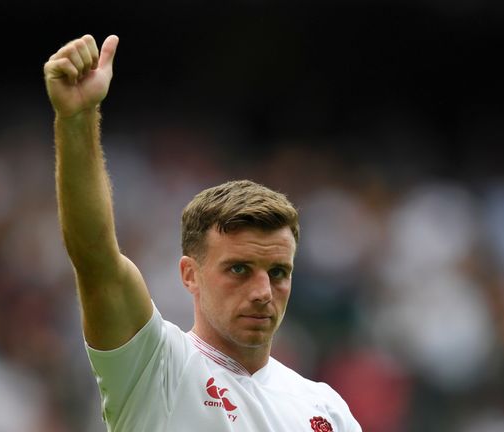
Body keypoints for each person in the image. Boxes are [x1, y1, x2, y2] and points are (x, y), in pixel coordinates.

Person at [44, 33, 362, 432]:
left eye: (278, 272)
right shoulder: (156, 368)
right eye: (239, 269)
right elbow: (94, 256)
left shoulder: (326, 408)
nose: (263, 291)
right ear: (189, 274)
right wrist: (77, 118)